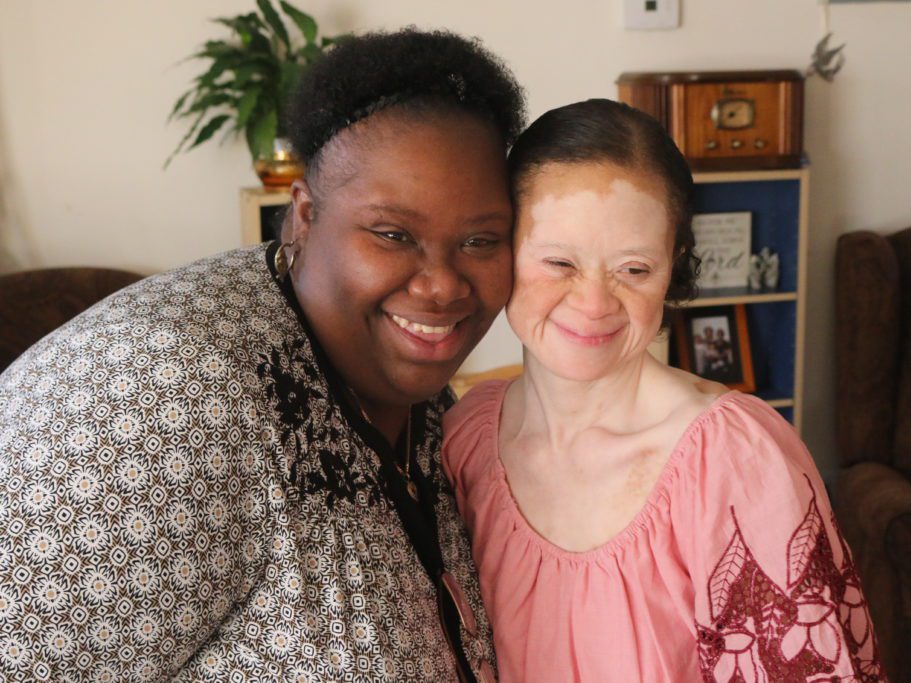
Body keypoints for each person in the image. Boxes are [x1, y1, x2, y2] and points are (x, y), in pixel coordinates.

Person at [0, 29, 525, 681]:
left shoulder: (425, 404)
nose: (443, 282)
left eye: (481, 240)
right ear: (303, 214)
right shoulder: (172, 394)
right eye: (393, 234)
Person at [443, 99, 885, 682]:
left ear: (673, 267)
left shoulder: (734, 461)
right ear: (503, 250)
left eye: (634, 269)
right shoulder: (464, 437)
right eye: (559, 262)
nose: (594, 303)